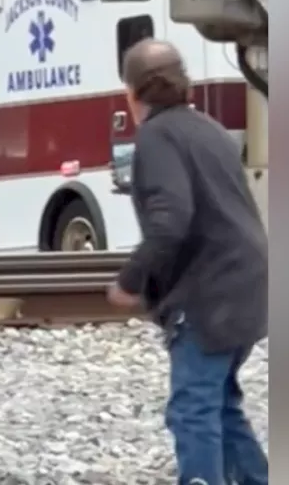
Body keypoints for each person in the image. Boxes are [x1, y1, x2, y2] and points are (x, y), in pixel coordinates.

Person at [106, 39, 268, 485]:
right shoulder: (208, 127)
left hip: (208, 292)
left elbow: (170, 221)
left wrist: (131, 280)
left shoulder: (157, 137)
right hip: (248, 282)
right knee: (219, 402)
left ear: (132, 93)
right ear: (184, 83)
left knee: (192, 410)